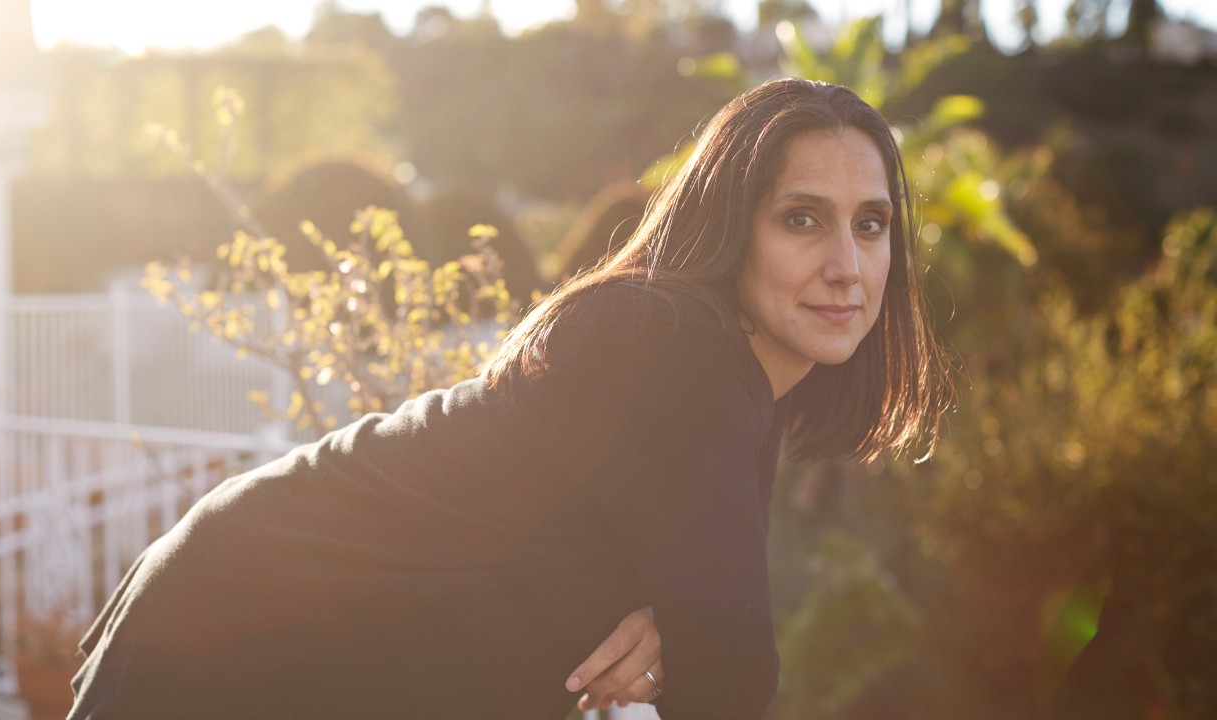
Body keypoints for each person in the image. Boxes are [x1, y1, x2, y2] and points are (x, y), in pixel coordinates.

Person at [67, 77, 950, 720]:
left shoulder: (741, 384)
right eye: (802, 218)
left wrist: (680, 629)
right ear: (730, 226)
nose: (847, 264)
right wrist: (688, 636)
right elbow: (733, 676)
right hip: (238, 633)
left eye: (870, 224)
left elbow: (709, 629)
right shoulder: (676, 347)